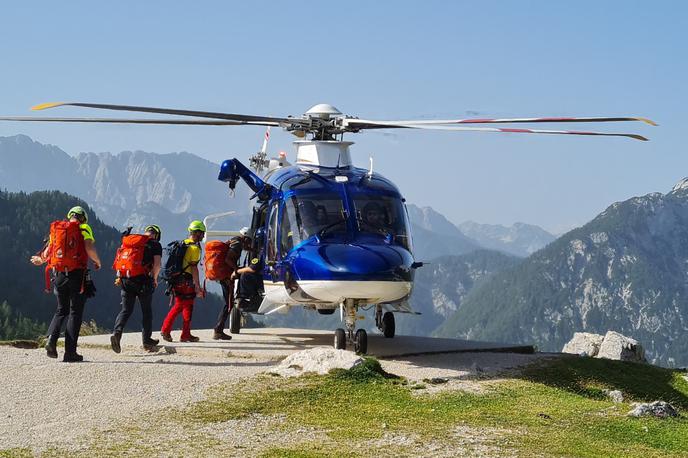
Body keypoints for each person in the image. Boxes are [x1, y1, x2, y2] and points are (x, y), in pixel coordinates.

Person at [30, 206, 102, 362]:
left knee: (61, 310)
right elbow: (89, 247)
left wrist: (40, 260)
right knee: (75, 312)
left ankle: (51, 340)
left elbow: (49, 251)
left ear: (70, 216)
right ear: (83, 218)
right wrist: (98, 261)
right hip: (77, 275)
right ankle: (70, 353)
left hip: (59, 275)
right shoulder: (83, 228)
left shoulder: (57, 229)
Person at [110, 224, 163, 353]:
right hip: (143, 281)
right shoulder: (154, 244)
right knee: (146, 311)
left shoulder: (130, 242)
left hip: (126, 280)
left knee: (126, 310)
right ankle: (147, 341)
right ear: (156, 235)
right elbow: (157, 265)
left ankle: (117, 333)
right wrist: (154, 279)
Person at [160, 220, 205, 343]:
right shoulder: (194, 248)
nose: (203, 235)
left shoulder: (183, 243)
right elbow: (194, 268)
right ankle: (166, 329)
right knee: (181, 306)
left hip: (177, 280)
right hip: (186, 281)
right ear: (196, 233)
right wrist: (197, 286)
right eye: (202, 233)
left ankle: (185, 334)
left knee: (186, 306)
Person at [212, 227, 251, 340]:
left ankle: (218, 330)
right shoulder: (237, 245)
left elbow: (244, 248)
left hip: (223, 275)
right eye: (249, 240)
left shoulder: (234, 240)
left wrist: (253, 250)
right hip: (226, 277)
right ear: (245, 237)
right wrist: (237, 269)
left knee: (228, 303)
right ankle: (218, 330)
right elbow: (228, 260)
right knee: (228, 304)